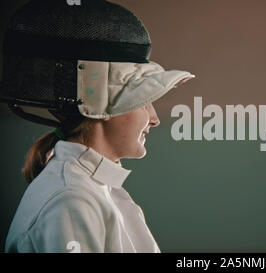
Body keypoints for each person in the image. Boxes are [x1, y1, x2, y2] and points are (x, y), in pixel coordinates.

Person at [1, 0, 194, 253]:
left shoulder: (95, 189)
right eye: (145, 102)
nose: (155, 119)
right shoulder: (71, 201)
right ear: (103, 107)